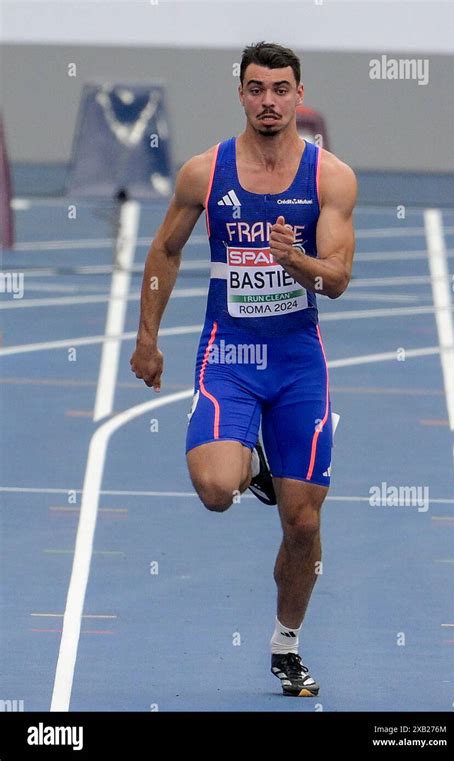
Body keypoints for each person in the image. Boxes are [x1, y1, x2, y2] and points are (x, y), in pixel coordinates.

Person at [130, 41, 357, 697]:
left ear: (298, 93)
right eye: (256, 88)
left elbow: (337, 279)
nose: (268, 101)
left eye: (280, 89)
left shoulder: (330, 178)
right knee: (214, 488)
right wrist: (147, 338)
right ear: (241, 93)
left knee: (303, 523)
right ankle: (254, 464)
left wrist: (300, 265)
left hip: (296, 362)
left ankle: (286, 643)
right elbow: (165, 249)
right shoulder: (206, 172)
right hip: (228, 355)